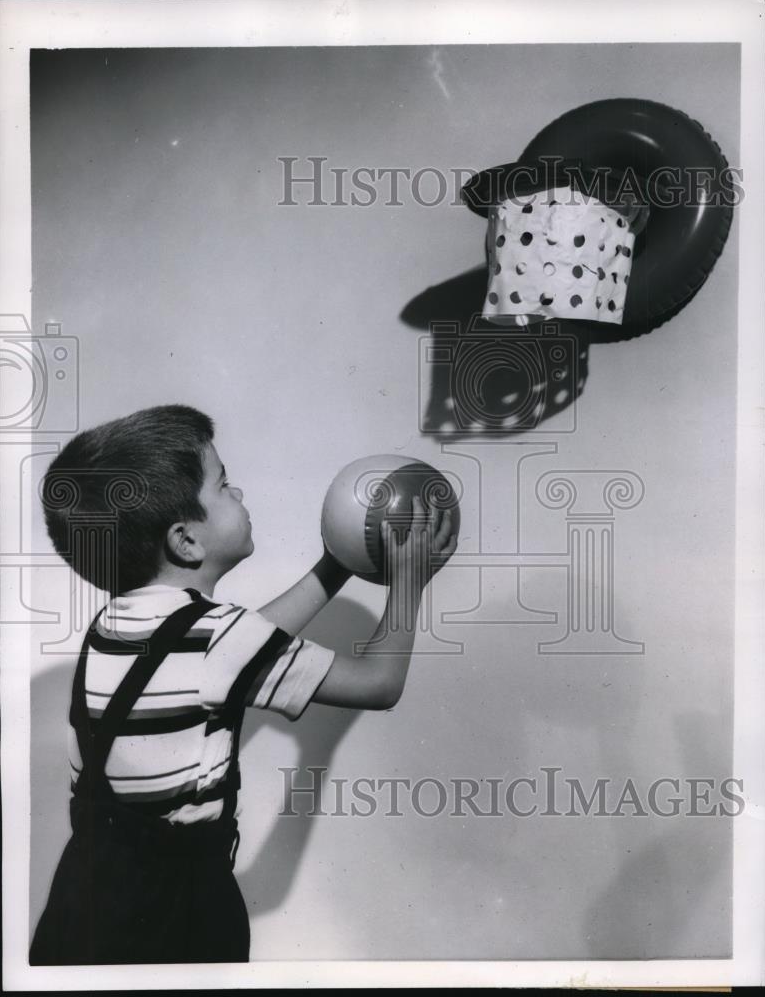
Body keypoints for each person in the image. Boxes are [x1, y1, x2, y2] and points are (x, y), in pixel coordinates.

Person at [30, 404, 457, 965]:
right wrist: (408, 582)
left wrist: (335, 565)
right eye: (224, 484)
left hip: (83, 902)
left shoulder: (118, 625)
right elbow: (378, 683)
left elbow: (242, 648)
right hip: (178, 913)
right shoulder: (219, 638)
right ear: (185, 541)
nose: (239, 490)